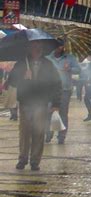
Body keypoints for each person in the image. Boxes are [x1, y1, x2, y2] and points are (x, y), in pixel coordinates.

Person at [7, 40, 62, 171]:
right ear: (29, 48)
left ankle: (35, 161)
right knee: (24, 132)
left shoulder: (49, 65)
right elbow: (12, 81)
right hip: (25, 102)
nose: (37, 49)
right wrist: (22, 75)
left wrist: (56, 104)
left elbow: (56, 84)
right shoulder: (21, 63)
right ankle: (22, 159)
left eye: (39, 46)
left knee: (38, 132)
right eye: (34, 46)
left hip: (41, 103)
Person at [46, 42, 80, 144]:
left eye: (60, 46)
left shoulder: (69, 58)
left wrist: (70, 69)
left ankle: (62, 136)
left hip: (65, 89)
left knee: (63, 113)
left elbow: (79, 70)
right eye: (56, 46)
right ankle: (48, 133)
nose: (58, 48)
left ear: (63, 47)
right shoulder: (48, 58)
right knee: (48, 112)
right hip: (49, 90)